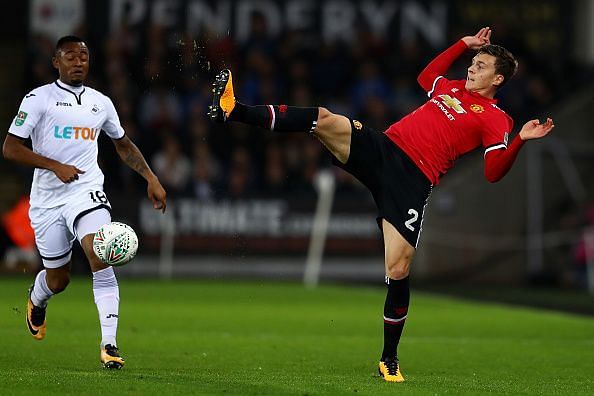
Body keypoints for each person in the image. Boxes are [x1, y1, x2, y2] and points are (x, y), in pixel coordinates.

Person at [208, 27, 554, 382]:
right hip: (384, 149)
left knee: (398, 268)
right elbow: (426, 76)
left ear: (498, 78)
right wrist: (462, 45)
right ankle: (234, 110)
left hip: (413, 180)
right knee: (324, 119)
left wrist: (521, 141)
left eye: (480, 66)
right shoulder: (450, 87)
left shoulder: (496, 118)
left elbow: (493, 172)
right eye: (472, 63)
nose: (470, 69)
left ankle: (389, 358)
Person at [3, 35, 167, 369]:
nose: (79, 62)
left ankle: (110, 344)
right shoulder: (38, 99)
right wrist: (54, 165)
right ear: (56, 62)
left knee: (99, 253)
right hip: (47, 200)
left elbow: (122, 144)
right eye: (71, 56)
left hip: (86, 191)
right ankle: (38, 299)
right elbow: (10, 147)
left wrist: (150, 177)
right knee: (58, 279)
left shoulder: (100, 103)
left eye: (84, 57)